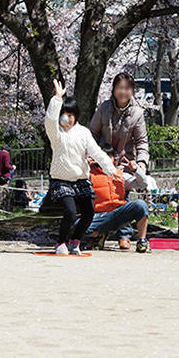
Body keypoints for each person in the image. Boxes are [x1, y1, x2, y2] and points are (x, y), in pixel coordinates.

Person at [46, 79, 118, 255]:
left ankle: (75, 240)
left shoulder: (84, 132)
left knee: (88, 213)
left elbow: (98, 153)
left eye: (71, 115)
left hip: (80, 180)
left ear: (76, 116)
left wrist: (111, 170)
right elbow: (49, 120)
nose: (67, 119)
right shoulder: (56, 133)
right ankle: (60, 243)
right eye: (64, 115)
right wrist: (57, 99)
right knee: (70, 212)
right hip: (62, 180)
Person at [83, 146, 151, 253]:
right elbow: (75, 179)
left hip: (119, 214)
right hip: (100, 216)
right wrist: (84, 165)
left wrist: (136, 170)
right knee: (76, 227)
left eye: (108, 157)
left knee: (141, 205)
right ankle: (99, 233)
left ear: (113, 159)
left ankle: (142, 241)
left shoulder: (121, 174)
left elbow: (143, 184)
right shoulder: (88, 175)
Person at [90, 72, 150, 173]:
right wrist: (90, 155)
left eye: (127, 88)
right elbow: (92, 134)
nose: (123, 92)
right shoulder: (103, 108)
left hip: (125, 165)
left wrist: (141, 163)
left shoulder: (137, 113)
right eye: (120, 87)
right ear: (114, 89)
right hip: (102, 163)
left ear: (132, 91)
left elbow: (141, 141)